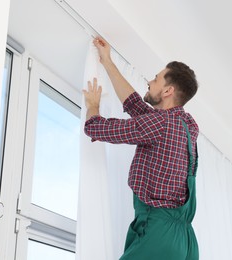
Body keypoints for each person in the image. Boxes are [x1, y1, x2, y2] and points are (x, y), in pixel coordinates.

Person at [83, 36, 199, 260]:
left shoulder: (161, 124)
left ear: (168, 91)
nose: (150, 81)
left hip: (159, 234)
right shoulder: (186, 127)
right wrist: (107, 62)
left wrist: (93, 107)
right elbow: (135, 105)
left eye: (156, 79)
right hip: (185, 241)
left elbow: (99, 129)